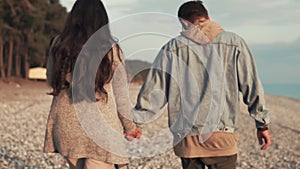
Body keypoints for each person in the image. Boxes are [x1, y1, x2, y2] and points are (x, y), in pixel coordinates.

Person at [133, 1, 271, 169]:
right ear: (207, 18)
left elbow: (155, 91)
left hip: (188, 139)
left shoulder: (172, 48)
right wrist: (262, 124)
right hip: (223, 137)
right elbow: (252, 85)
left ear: (184, 22)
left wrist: (135, 123)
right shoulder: (234, 42)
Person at [43, 0, 141, 168]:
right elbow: (121, 97)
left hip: (66, 126)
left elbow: (52, 79)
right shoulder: (111, 49)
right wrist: (129, 126)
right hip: (101, 129)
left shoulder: (59, 44)